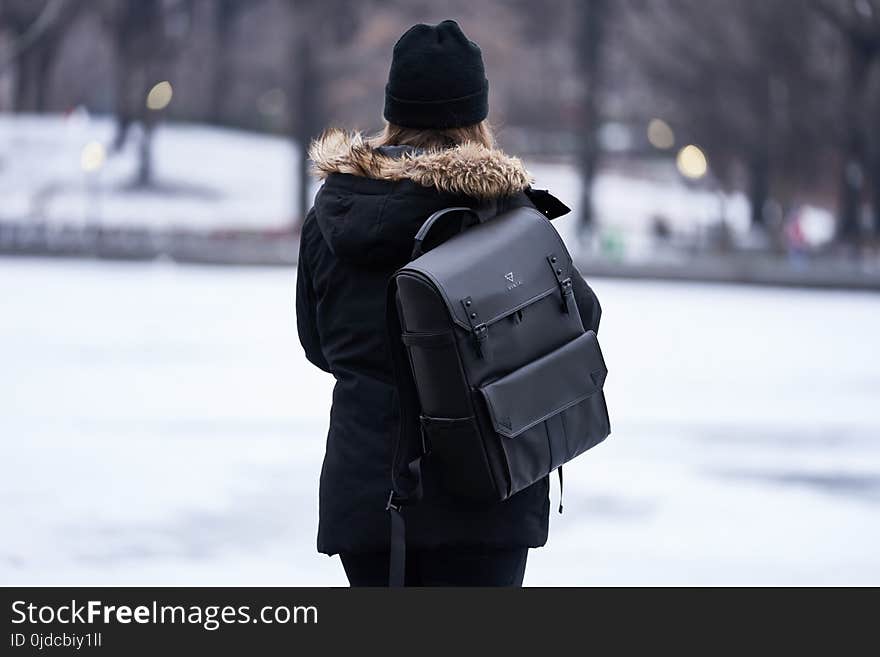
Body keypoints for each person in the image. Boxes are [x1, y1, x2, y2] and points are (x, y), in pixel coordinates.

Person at [296, 19, 601, 586]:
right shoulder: (507, 215)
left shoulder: (333, 212)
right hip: (488, 485)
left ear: (393, 110)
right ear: (476, 115)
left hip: (370, 495)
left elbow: (318, 346)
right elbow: (581, 321)